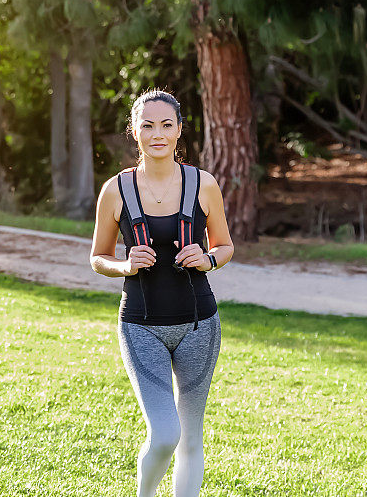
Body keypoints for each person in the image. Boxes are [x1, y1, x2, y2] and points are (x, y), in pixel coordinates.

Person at [89, 89, 234, 497]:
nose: (158, 133)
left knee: (190, 437)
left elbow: (225, 246)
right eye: (148, 126)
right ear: (134, 132)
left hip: (198, 325)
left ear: (179, 130)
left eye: (166, 125)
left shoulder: (203, 184)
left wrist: (208, 259)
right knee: (165, 434)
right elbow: (98, 257)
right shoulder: (115, 191)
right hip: (141, 327)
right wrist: (124, 264)